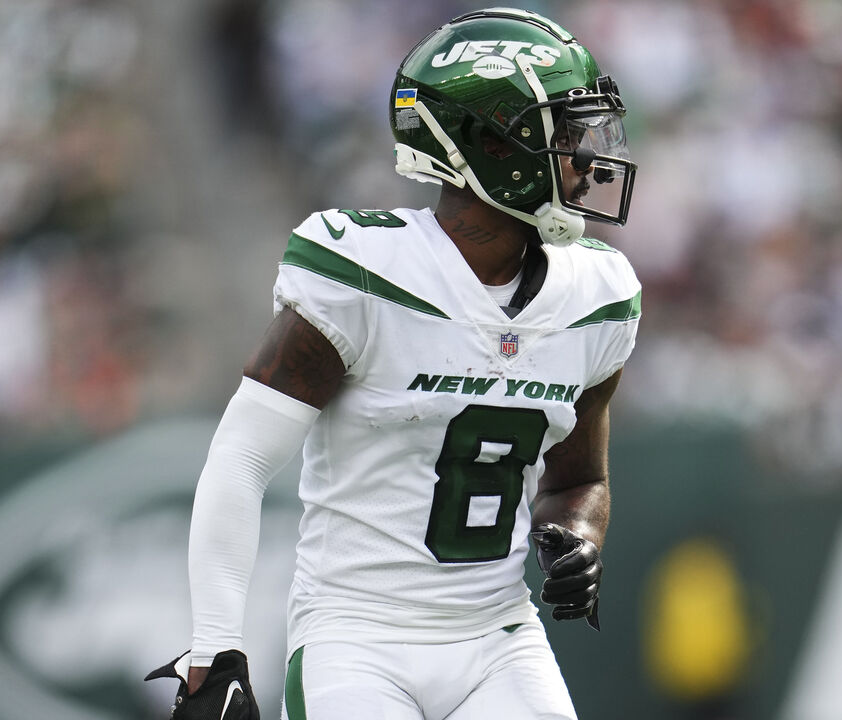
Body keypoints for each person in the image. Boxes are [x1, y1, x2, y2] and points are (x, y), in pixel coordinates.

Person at [145, 8, 640, 719]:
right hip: (357, 637)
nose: (588, 160)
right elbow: (242, 456)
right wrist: (214, 650)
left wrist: (578, 536)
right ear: (493, 144)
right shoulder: (365, 275)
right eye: (564, 136)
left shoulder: (597, 296)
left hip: (497, 636)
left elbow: (580, 479)